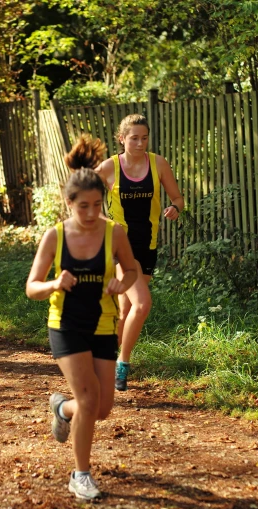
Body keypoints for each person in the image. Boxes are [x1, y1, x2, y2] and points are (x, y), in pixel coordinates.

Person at [26, 163, 138, 500]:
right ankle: (81, 475)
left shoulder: (114, 233)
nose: (91, 212)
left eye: (96, 205)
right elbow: (32, 287)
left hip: (103, 324)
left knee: (101, 409)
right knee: (89, 399)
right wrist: (54, 283)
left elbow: (131, 270)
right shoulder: (55, 236)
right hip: (66, 325)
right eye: (82, 206)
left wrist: (123, 282)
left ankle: (62, 409)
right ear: (69, 203)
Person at [93, 115, 184, 391]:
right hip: (121, 248)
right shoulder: (109, 168)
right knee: (142, 305)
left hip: (148, 245)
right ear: (122, 139)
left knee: (127, 309)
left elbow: (178, 198)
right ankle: (122, 364)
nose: (140, 143)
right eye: (134, 138)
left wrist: (175, 208)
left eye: (144, 138)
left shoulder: (158, 164)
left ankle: (102, 364)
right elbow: (82, 198)